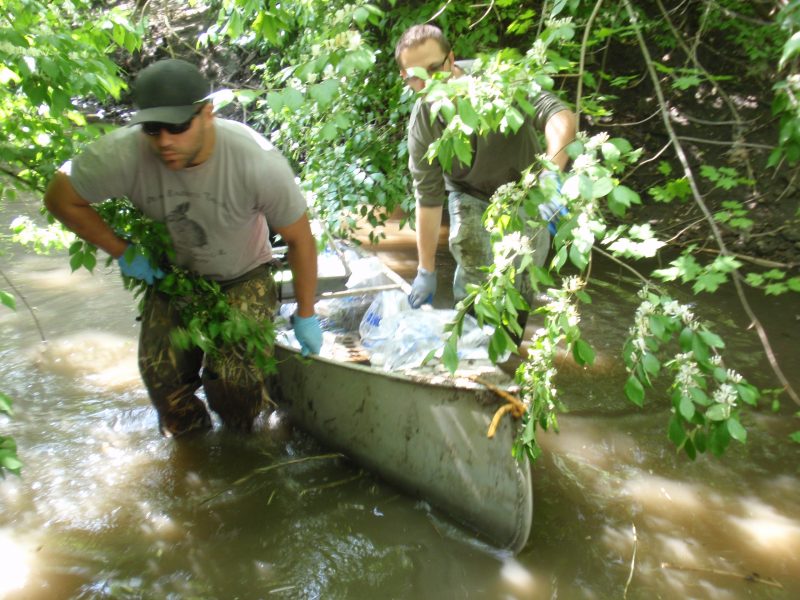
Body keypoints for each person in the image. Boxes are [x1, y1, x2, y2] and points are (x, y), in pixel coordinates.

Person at [44, 58, 322, 436]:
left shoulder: (257, 162)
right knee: (161, 377)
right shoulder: (123, 154)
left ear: (207, 114)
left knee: (232, 381)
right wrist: (122, 250)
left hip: (244, 274)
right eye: (153, 129)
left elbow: (299, 239)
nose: (164, 142)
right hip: (174, 276)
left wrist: (306, 313)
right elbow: (61, 198)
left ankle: (243, 448)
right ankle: (194, 452)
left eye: (177, 127)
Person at [394, 24, 577, 339]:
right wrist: (426, 270)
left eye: (436, 68)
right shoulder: (422, 125)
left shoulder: (498, 81)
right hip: (469, 194)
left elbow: (559, 116)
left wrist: (551, 174)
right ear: (406, 80)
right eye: (416, 76)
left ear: (451, 60)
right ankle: (469, 351)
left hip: (527, 193)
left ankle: (504, 355)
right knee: (473, 274)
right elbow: (429, 199)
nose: (429, 82)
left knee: (516, 284)